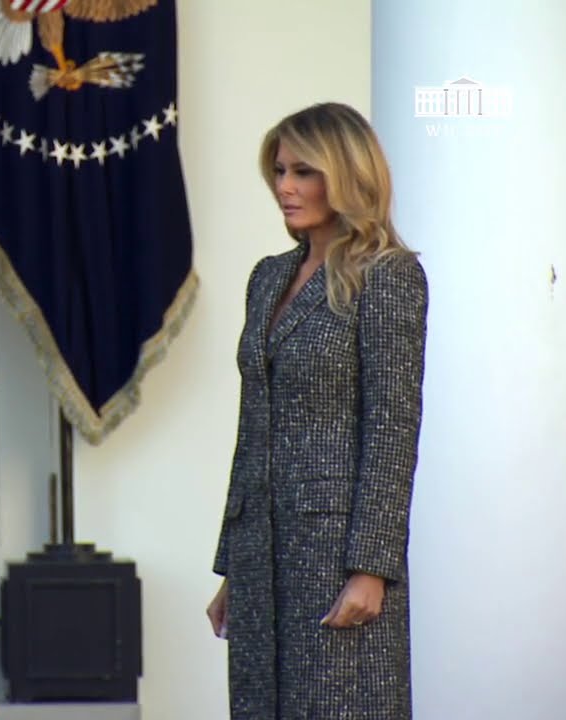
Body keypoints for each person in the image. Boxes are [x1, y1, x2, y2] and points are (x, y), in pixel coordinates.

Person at [205, 102, 428, 719]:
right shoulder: (267, 277)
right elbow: (254, 429)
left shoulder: (388, 275)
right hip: (260, 555)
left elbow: (392, 428)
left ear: (347, 174)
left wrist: (371, 569)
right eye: (278, 170)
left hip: (335, 552)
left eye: (304, 171)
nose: (284, 187)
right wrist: (233, 566)